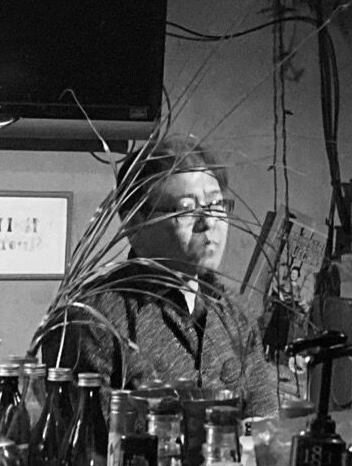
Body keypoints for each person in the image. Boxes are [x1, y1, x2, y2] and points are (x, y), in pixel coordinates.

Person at [38, 135, 280, 418]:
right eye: (187, 208)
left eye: (216, 204)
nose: (209, 222)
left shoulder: (234, 315)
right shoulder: (92, 320)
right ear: (134, 223)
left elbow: (265, 427)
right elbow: (89, 439)